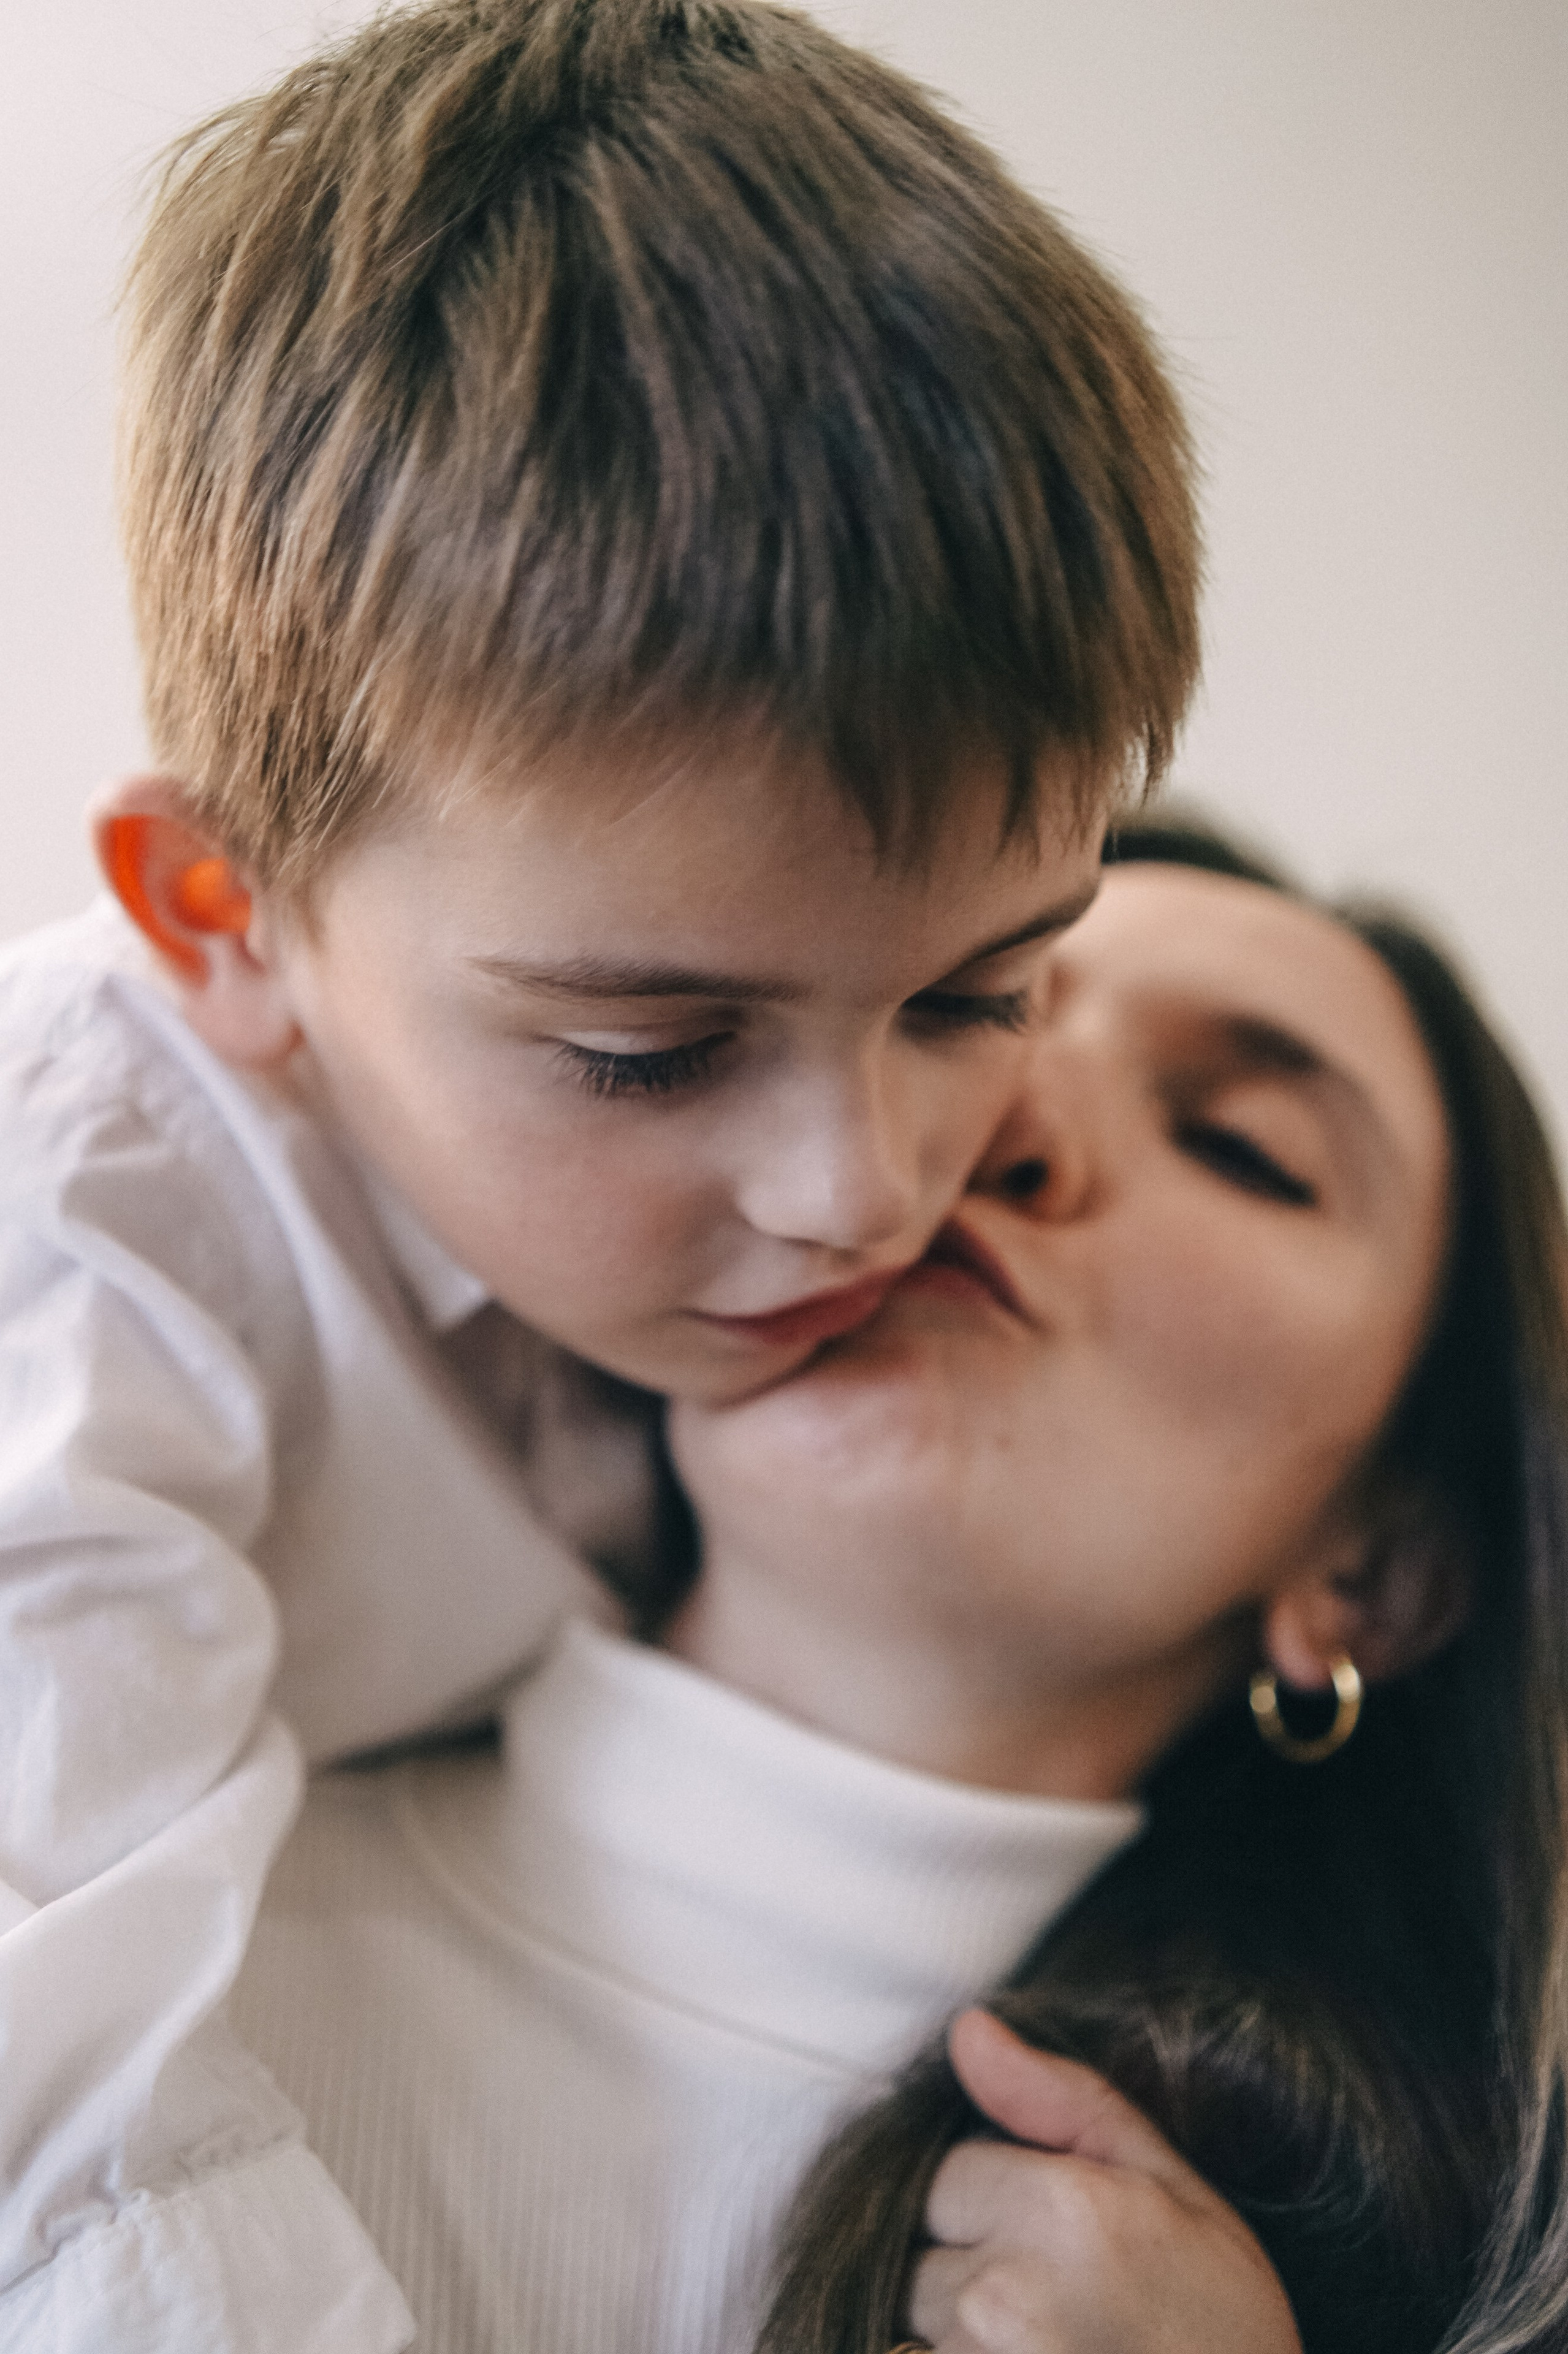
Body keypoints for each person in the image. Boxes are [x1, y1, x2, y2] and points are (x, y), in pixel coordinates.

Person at [0, 2, 1202, 2344]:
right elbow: (66, 2115)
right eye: (650, 1058)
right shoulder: (76, 1247)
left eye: (976, 998)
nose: (865, 1193)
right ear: (225, 926)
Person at [225, 823, 1568, 2353]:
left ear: (1376, 1579)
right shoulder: (106, 1901)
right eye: (964, 1012)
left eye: (1240, 1146)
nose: (999, 1125)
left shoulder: (1405, 2293)